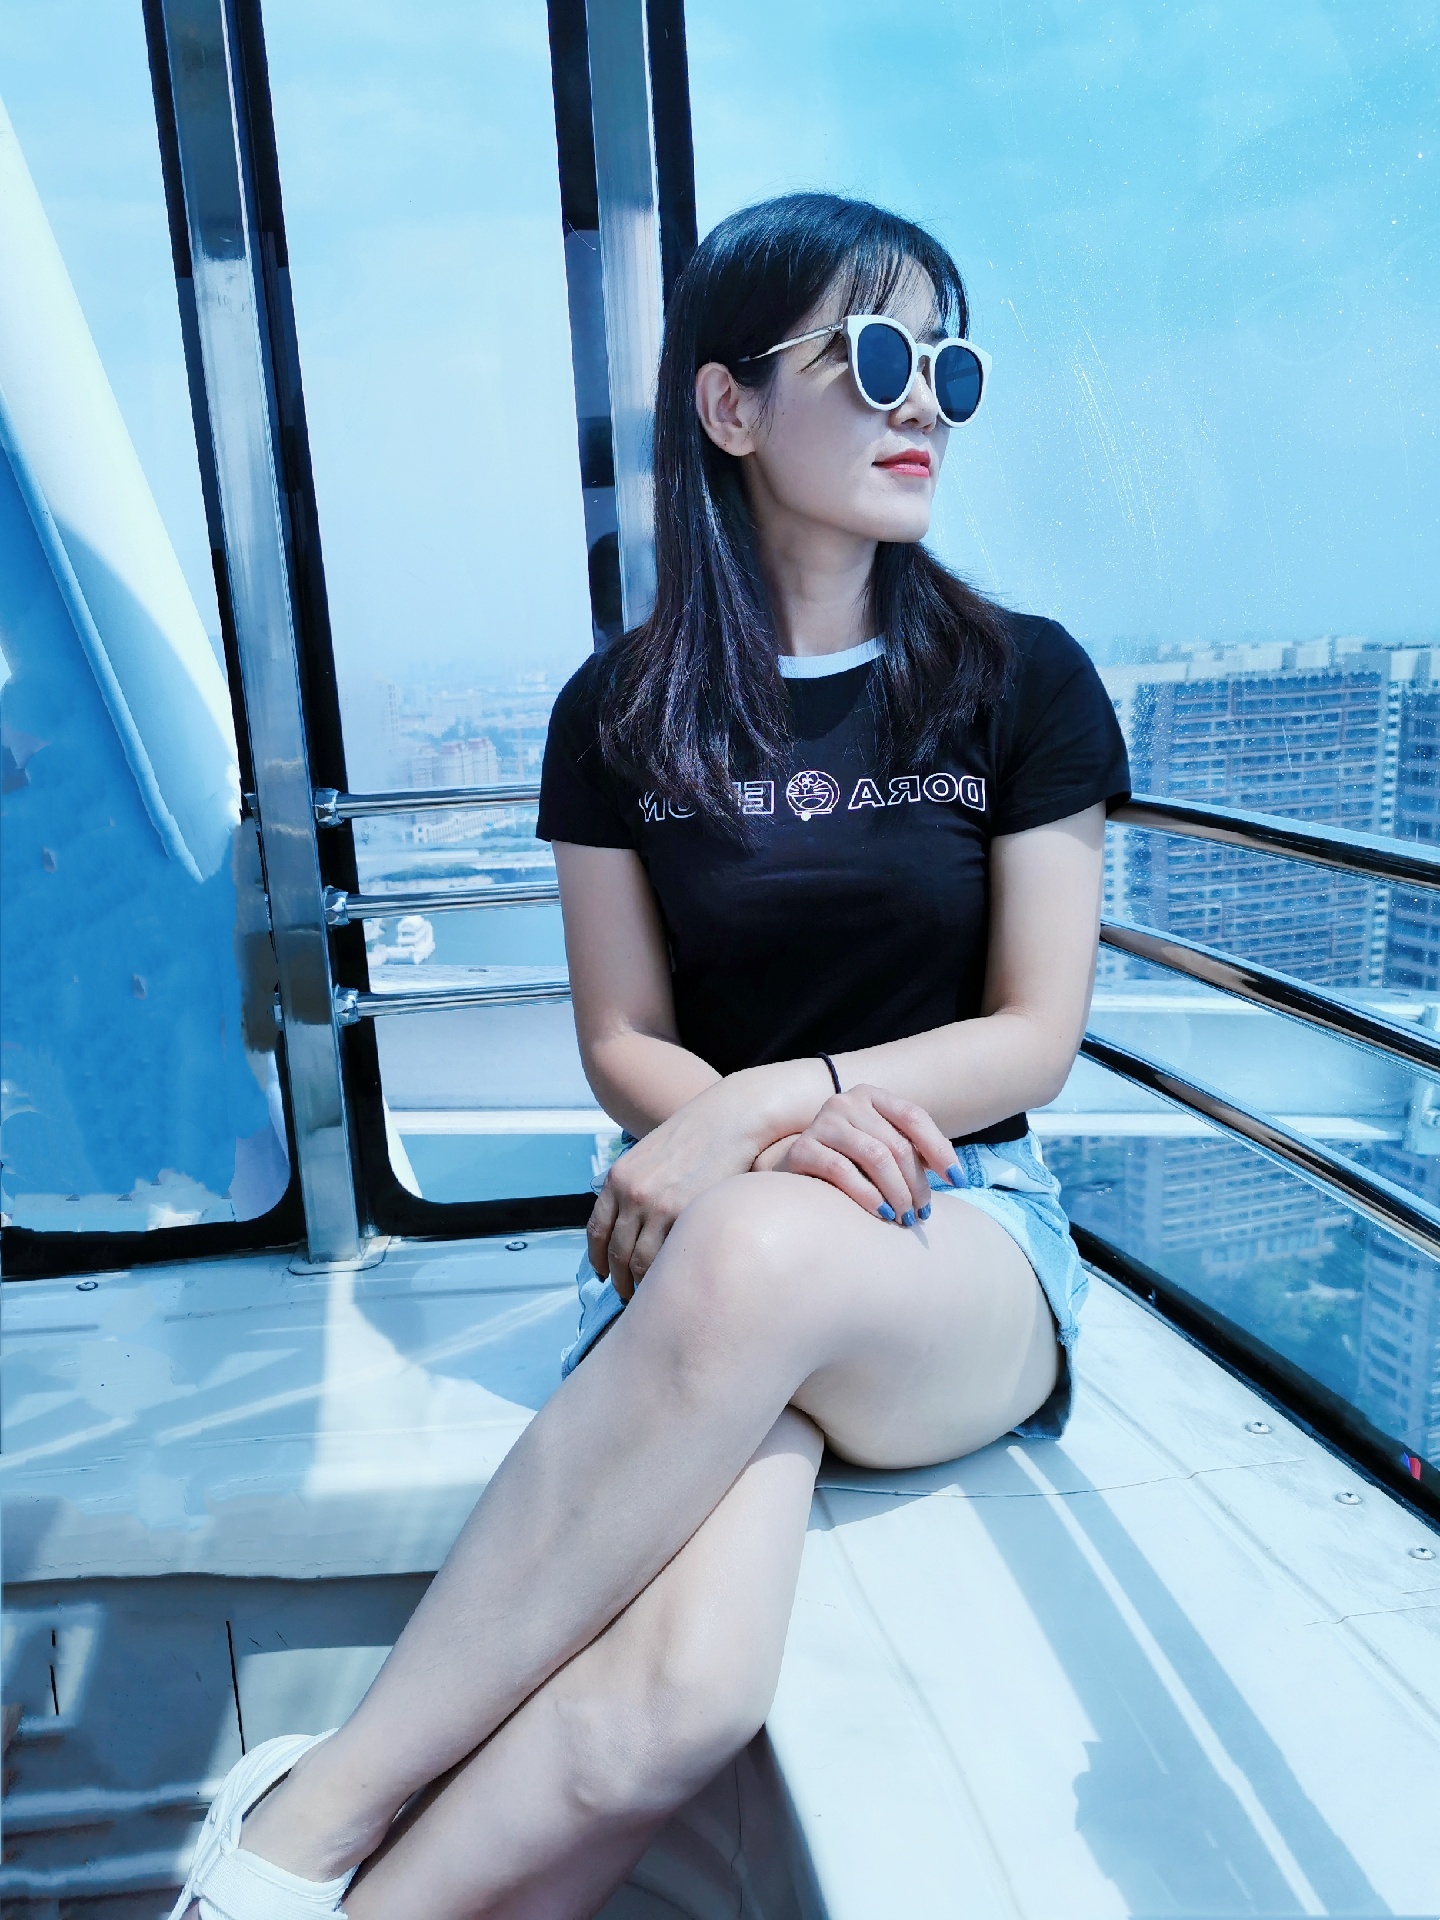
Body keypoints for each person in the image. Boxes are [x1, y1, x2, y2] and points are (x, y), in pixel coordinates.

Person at [171, 192, 1129, 1920]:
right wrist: (753, 1147)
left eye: (949, 365)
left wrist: (771, 1109)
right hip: (713, 1247)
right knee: (672, 1707)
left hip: (956, 1237)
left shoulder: (1021, 682)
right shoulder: (618, 715)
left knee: (759, 1248)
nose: (925, 399)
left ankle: (300, 1825)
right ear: (730, 405)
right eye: (879, 357)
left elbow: (1032, 1038)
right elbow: (622, 1038)